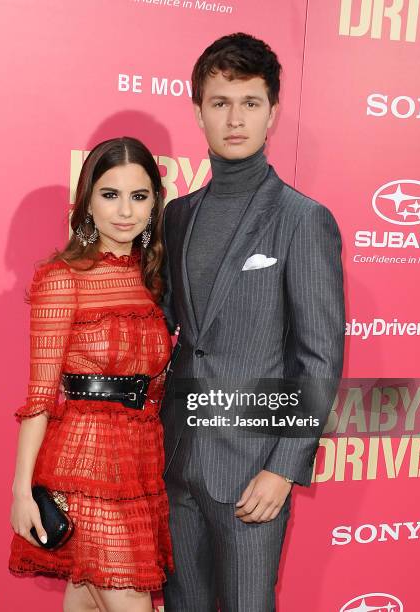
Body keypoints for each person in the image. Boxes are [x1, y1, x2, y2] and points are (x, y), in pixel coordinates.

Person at [160, 33, 345, 611]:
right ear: (198, 112)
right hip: (177, 462)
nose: (234, 118)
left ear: (273, 112)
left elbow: (318, 356)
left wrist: (283, 467)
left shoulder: (302, 220)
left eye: (250, 102)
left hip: (252, 472)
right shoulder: (177, 215)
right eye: (220, 103)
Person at [9, 137, 173, 612]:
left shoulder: (152, 276)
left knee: (86, 600)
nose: (125, 211)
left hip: (140, 462)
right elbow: (40, 396)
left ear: (154, 204)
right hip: (84, 463)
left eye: (139, 196)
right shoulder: (62, 278)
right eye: (110, 194)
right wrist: (21, 493)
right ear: (86, 202)